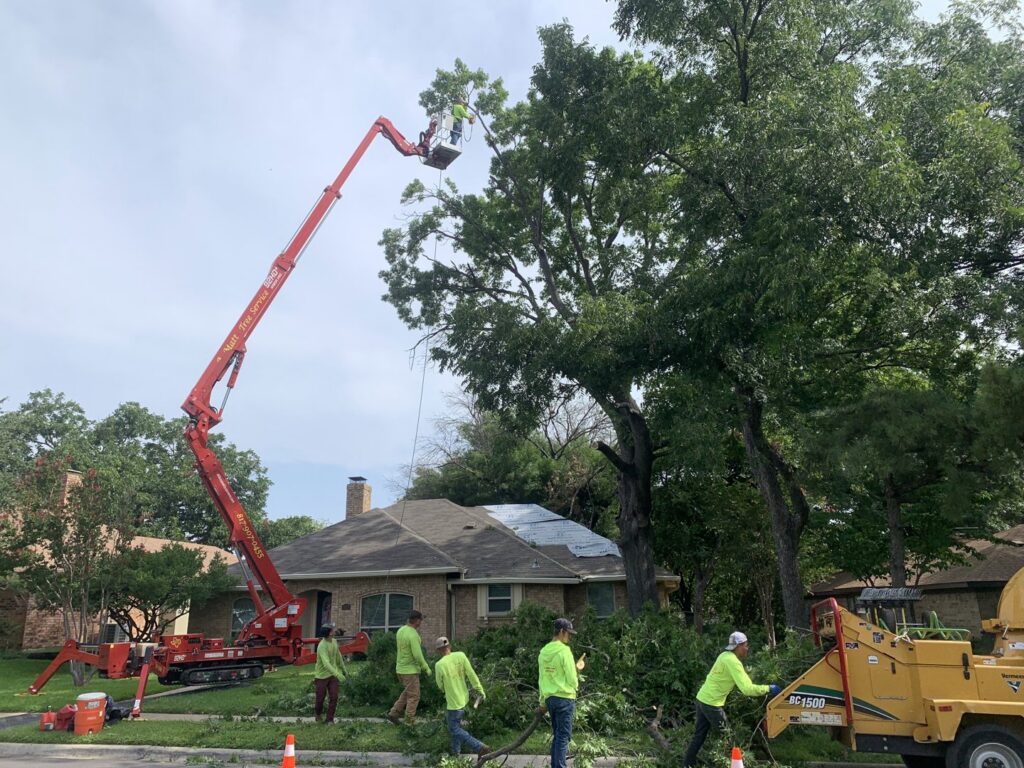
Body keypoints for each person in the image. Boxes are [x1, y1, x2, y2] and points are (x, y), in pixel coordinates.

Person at [682, 631, 782, 767]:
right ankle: (732, 764)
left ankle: (687, 764)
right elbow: (747, 689)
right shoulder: (733, 662)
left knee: (699, 736)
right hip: (711, 703)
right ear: (738, 646)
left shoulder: (724, 656)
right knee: (728, 737)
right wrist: (769, 688)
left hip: (702, 699)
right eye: (746, 645)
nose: (747, 648)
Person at [538, 617, 585, 768]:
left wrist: (542, 701)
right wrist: (576, 684)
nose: (570, 636)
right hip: (565, 698)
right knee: (563, 736)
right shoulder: (565, 651)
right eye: (568, 633)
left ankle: (556, 766)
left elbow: (542, 679)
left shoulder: (543, 652)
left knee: (558, 735)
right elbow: (572, 678)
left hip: (550, 700)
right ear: (561, 631)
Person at [434, 636, 490, 757]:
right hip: (464, 699)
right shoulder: (461, 655)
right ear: (449, 647)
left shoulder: (439, 665)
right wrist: (480, 690)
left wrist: (445, 688)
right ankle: (455, 754)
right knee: (456, 727)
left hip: (453, 703)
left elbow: (440, 685)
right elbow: (471, 674)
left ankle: (480, 747)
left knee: (454, 729)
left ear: (438, 650)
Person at [387, 609, 431, 724]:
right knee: (414, 696)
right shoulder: (413, 634)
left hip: (400, 669)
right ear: (416, 621)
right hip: (409, 671)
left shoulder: (401, 630)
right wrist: (425, 666)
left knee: (408, 692)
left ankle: (394, 713)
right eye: (420, 620)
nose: (421, 622)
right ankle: (409, 721)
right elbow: (417, 654)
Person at [313, 623, 347, 724]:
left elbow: (338, 656)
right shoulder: (322, 646)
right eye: (332, 629)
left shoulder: (334, 642)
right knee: (320, 699)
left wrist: (343, 669)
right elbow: (326, 664)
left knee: (334, 696)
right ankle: (318, 714)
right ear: (328, 633)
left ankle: (329, 719)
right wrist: (338, 674)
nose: (334, 631)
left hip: (333, 675)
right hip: (321, 676)